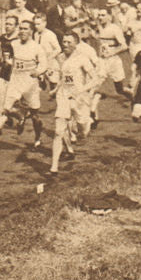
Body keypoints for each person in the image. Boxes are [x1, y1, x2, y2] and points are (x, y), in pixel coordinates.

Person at [49, 32, 98, 174]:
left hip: (79, 99)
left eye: (69, 42)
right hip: (63, 96)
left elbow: (95, 79)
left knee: (83, 131)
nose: (65, 45)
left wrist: (82, 89)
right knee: (58, 131)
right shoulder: (60, 58)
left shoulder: (82, 59)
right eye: (64, 42)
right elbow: (62, 78)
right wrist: (55, 89)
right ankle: (54, 167)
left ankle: (87, 122)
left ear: (76, 44)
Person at [1, 18, 48, 146]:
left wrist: (38, 72)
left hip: (30, 84)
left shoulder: (37, 47)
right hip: (15, 82)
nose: (21, 31)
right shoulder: (14, 44)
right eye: (20, 28)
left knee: (34, 115)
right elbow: (10, 59)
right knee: (5, 109)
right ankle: (20, 116)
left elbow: (44, 64)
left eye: (25, 29)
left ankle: (38, 138)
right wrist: (6, 63)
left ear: (31, 31)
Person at [90, 8, 131, 127]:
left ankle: (134, 99)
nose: (100, 17)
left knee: (120, 89)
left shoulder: (114, 29)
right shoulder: (99, 27)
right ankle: (94, 117)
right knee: (94, 88)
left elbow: (124, 46)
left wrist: (112, 52)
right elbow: (99, 40)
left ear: (109, 16)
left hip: (114, 62)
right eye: (99, 15)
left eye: (103, 15)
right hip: (102, 62)